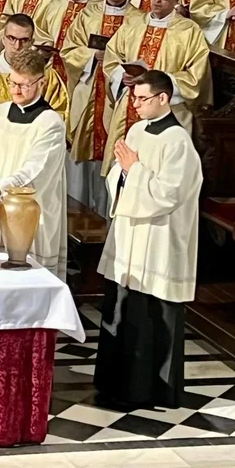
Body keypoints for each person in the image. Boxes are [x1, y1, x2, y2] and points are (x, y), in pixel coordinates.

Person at [95, 71, 201, 410]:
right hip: (130, 235)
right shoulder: (137, 130)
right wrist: (124, 171)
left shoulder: (178, 141)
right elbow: (119, 175)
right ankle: (116, 384)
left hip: (158, 239)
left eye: (142, 98)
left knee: (150, 313)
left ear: (163, 98)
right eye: (134, 97)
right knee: (124, 308)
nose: (135, 104)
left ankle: (150, 391)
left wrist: (134, 170)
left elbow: (169, 194)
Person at [0, 48, 68, 278]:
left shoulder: (50, 123)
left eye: (24, 85)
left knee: (26, 278)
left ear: (41, 82)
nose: (15, 90)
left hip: (31, 212)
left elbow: (36, 169)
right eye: (12, 83)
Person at [101, 0, 209, 174]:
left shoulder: (189, 31)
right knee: (120, 170)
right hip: (130, 103)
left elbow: (196, 76)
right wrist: (120, 76)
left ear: (176, 0)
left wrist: (158, 83)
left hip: (167, 109)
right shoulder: (133, 23)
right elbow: (112, 55)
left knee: (158, 171)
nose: (158, 0)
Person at [61, 0, 139, 216]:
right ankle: (78, 214)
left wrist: (119, 67)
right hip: (89, 90)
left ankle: (107, 216)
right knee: (83, 156)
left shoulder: (138, 19)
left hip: (119, 95)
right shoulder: (88, 14)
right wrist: (92, 56)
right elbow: (68, 49)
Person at [0, 13, 68, 149]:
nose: (17, 46)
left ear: (32, 42)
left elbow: (59, 114)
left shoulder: (47, 76)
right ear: (3, 39)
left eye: (24, 40)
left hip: (30, 147)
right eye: (11, 38)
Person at [36, 0, 99, 82]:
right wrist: (45, 46)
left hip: (83, 75)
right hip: (52, 71)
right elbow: (40, 32)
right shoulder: (55, 5)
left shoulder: (98, 10)